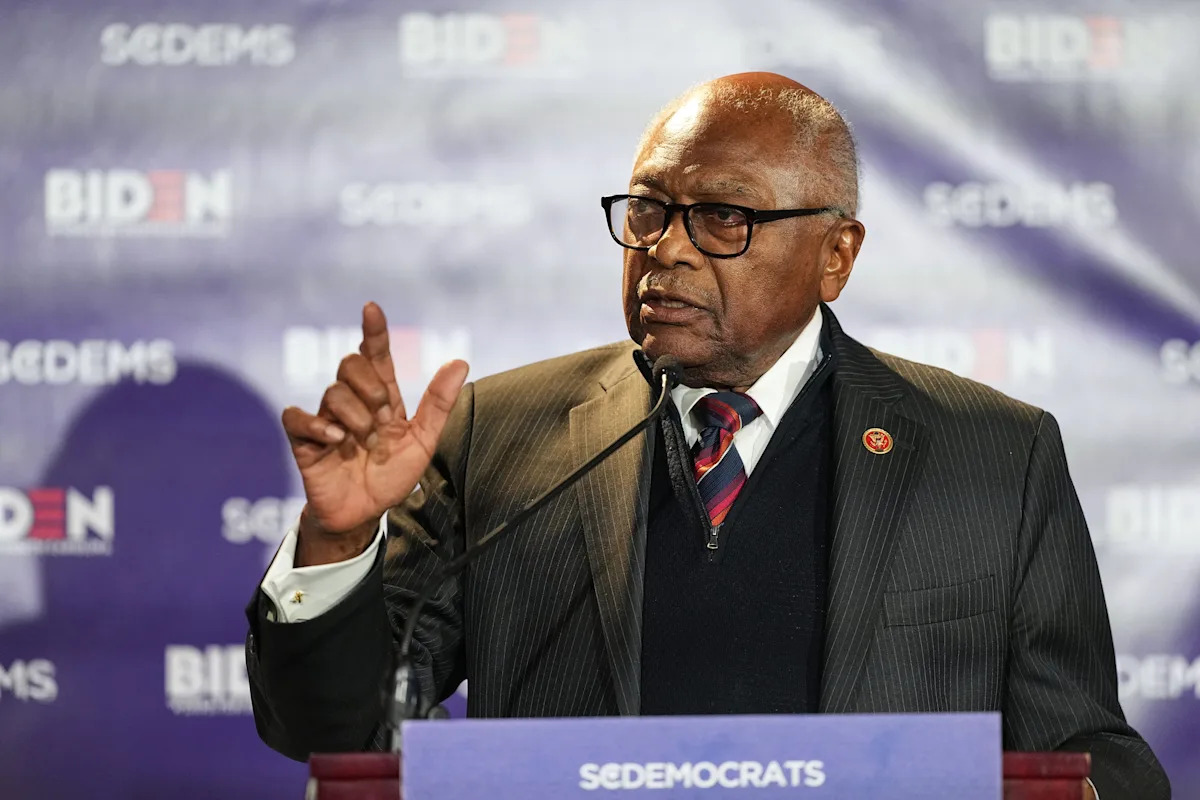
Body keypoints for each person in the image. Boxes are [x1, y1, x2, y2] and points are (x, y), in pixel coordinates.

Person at [246, 73, 1169, 799]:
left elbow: (1087, 749)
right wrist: (338, 542)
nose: (667, 248)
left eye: (724, 217)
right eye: (648, 209)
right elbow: (339, 732)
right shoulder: (501, 435)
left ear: (836, 256)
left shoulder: (992, 455)